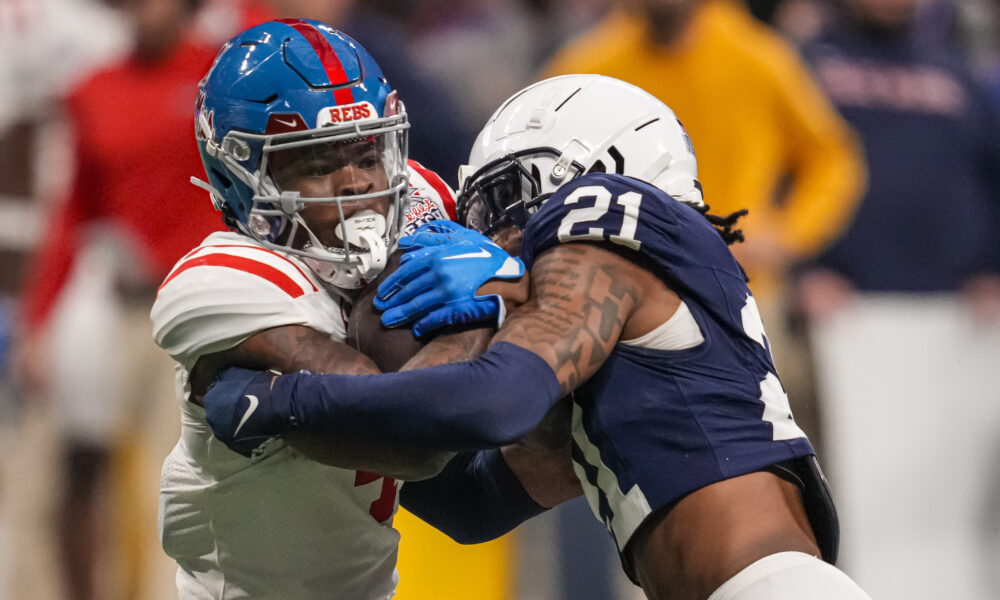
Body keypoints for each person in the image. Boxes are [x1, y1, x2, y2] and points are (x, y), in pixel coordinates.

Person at [203, 74, 873, 600]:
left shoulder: (608, 215)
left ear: (586, 169)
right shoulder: (643, 344)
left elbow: (498, 400)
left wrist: (284, 399)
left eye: (500, 198)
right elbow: (472, 502)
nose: (484, 228)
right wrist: (328, 400)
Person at [150, 18, 562, 599]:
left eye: (367, 156)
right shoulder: (223, 281)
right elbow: (407, 435)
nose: (356, 186)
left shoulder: (417, 198)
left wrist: (517, 274)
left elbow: (463, 498)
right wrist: (490, 298)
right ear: (239, 176)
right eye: (317, 165)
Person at [792, 1, 1000, 598]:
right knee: (861, 491)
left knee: (947, 493)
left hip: (959, 322)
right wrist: (808, 266)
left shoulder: (954, 68)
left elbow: (989, 171)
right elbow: (788, 167)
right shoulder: (808, 64)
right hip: (848, 320)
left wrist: (991, 265)